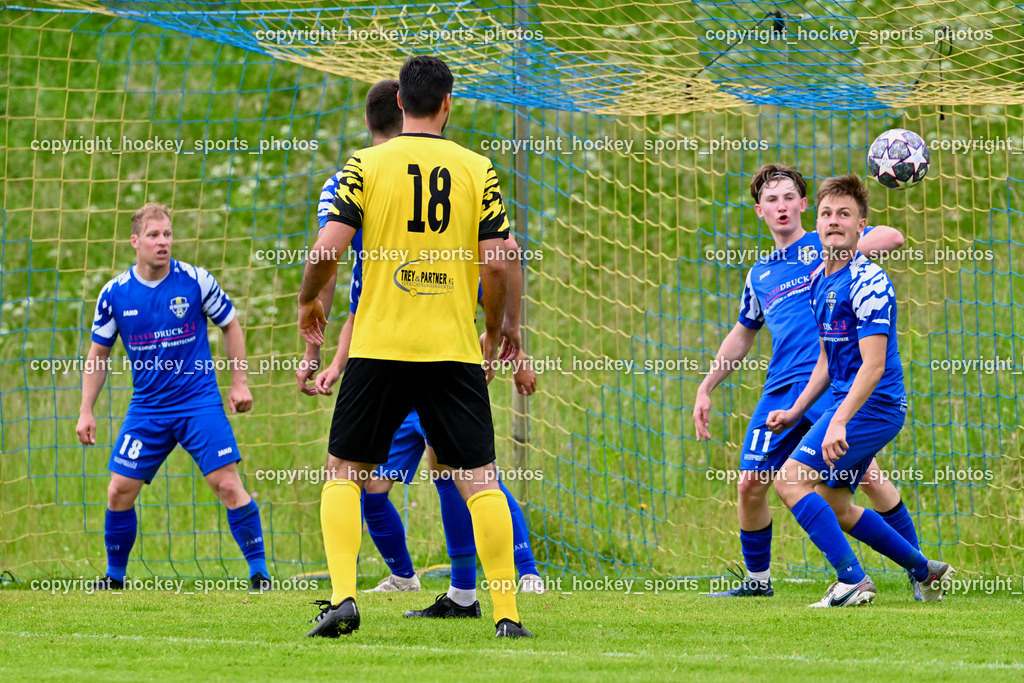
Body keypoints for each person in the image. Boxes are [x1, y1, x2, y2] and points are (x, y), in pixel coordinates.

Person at [298, 56, 532, 638]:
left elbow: (327, 248)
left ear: (399, 103)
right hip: (451, 349)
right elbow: (502, 261)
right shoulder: (478, 168)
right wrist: (499, 328)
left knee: (343, 472)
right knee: (479, 477)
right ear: (448, 104)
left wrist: (308, 300)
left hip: (379, 346)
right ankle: (507, 613)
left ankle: (343, 600)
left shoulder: (365, 164)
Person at [693, 164, 923, 598]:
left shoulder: (826, 242)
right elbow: (743, 333)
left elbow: (893, 238)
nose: (781, 206)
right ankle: (758, 583)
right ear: (759, 211)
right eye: (771, 200)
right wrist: (707, 386)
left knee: (866, 478)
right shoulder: (759, 274)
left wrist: (849, 245)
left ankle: (917, 569)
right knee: (750, 483)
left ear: (803, 206)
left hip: (832, 385)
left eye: (788, 198)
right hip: (783, 389)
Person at [766, 174, 954, 606]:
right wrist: (797, 411)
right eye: (827, 214)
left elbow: (871, 367)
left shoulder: (869, 282)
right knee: (834, 502)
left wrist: (838, 420)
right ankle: (924, 570)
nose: (834, 221)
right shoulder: (818, 279)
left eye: (844, 214)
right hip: (854, 404)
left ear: (861, 227)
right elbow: (828, 359)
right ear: (816, 224)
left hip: (877, 406)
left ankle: (852, 580)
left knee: (790, 481)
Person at [76, 203, 269, 591]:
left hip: (198, 403)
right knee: (118, 490)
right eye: (153, 235)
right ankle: (114, 578)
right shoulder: (114, 294)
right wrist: (86, 411)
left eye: (167, 234)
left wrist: (240, 382)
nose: (162, 242)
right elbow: (98, 353)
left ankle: (259, 574)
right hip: (147, 408)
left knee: (228, 485)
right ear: (135, 241)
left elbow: (230, 325)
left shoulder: (196, 281)